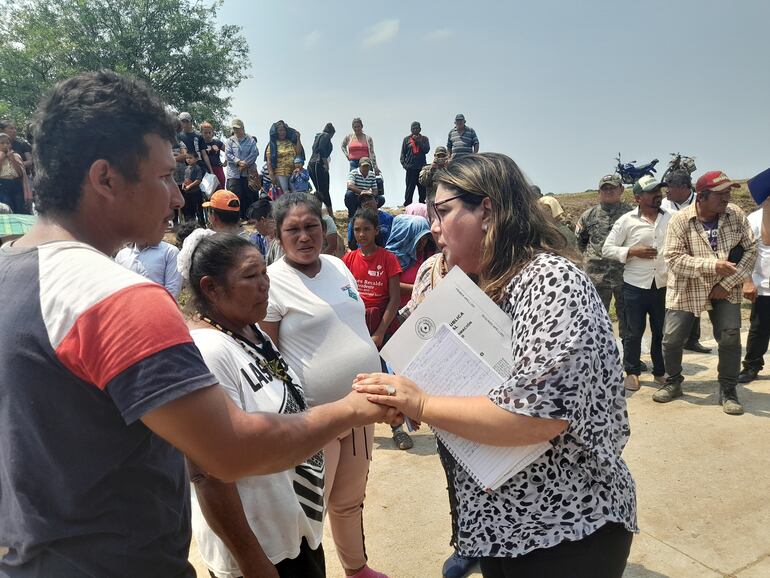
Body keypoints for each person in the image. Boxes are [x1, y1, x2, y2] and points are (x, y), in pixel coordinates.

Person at [0, 70, 393, 577]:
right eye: (163, 177)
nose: (178, 197)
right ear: (105, 179)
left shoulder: (10, 271)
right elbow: (229, 453)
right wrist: (352, 409)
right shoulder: (116, 297)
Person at [355, 153, 637, 578]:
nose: (434, 228)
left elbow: (535, 417)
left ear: (487, 209)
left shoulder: (552, 282)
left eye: (444, 212)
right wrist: (407, 393)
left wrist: (423, 404)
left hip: (565, 528)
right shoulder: (475, 284)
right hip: (500, 528)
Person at [182, 231, 327, 578]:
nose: (265, 285)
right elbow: (208, 474)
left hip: (290, 527)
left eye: (265, 273)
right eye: (250, 276)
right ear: (211, 288)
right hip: (259, 550)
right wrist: (252, 561)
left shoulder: (252, 333)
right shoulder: (209, 351)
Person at [260, 193, 390, 578]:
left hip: (361, 407)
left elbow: (352, 325)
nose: (304, 237)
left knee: (350, 499)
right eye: (293, 230)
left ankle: (357, 567)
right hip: (314, 420)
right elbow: (268, 354)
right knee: (308, 511)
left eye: (311, 226)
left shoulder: (338, 266)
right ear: (279, 237)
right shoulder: (273, 282)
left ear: (325, 227)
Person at [659, 171, 757, 415]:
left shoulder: (735, 215)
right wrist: (712, 266)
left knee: (730, 336)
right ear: (702, 197)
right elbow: (673, 258)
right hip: (687, 287)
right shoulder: (680, 220)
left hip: (726, 288)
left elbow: (751, 250)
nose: (727, 197)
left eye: (728, 192)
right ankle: (673, 382)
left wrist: (727, 282)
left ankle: (728, 389)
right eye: (721, 193)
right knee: (671, 339)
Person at [603, 175, 672, 391]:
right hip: (634, 286)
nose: (657, 195)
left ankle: (660, 371)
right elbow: (607, 249)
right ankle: (632, 372)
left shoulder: (671, 218)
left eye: (658, 191)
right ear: (638, 198)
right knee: (633, 331)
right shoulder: (627, 221)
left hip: (662, 284)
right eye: (651, 192)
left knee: (661, 331)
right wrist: (632, 251)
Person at [575, 173, 632, 339]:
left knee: (628, 318)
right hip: (597, 276)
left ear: (621, 189)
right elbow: (581, 241)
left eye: (612, 188)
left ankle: (630, 358)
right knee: (596, 318)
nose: (608, 191)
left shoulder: (631, 214)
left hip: (624, 275)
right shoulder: (588, 215)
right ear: (599, 192)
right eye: (604, 188)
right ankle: (599, 357)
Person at [661, 169, 711, 353]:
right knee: (672, 303)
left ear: (684, 187)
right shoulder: (664, 205)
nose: (666, 191)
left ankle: (692, 339)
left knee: (695, 299)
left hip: (696, 260)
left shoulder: (702, 201)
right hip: (670, 260)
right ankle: (671, 341)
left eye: (670, 187)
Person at [343, 209, 402, 351]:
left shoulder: (388, 258)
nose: (362, 234)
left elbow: (395, 299)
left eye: (367, 229)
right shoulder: (347, 259)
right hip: (356, 323)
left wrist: (380, 332)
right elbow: (343, 293)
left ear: (376, 231)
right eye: (357, 230)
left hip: (383, 323)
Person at [738, 205, 770, 384]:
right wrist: (747, 280)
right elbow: (744, 253)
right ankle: (752, 365)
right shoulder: (754, 219)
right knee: (759, 329)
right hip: (764, 284)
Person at [115, 239, 182, 299]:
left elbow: (173, 289)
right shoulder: (121, 255)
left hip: (157, 309)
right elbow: (117, 287)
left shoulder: (169, 252)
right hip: (127, 309)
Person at [225, 118, 258, 220]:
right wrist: (238, 162)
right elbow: (228, 155)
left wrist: (245, 164)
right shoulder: (229, 141)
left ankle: (249, 218)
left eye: (238, 128)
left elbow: (255, 153)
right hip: (234, 174)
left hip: (247, 173)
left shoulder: (251, 140)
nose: (236, 131)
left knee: (249, 195)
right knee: (234, 195)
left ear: (243, 128)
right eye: (234, 129)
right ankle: (235, 219)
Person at [266, 120, 303, 194]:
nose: (282, 132)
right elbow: (269, 160)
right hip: (280, 173)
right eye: (280, 130)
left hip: (293, 173)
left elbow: (298, 153)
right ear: (276, 132)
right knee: (285, 194)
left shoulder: (290, 142)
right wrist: (271, 175)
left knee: (296, 193)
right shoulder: (272, 145)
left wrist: (298, 139)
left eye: (284, 130)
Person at [400, 121, 430, 205]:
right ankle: (407, 205)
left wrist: (419, 142)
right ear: (411, 130)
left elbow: (426, 150)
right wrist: (405, 165)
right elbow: (402, 154)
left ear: (420, 129)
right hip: (410, 168)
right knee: (410, 188)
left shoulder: (424, 139)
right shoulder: (406, 139)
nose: (415, 130)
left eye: (417, 128)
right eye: (413, 128)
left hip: (421, 168)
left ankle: (422, 205)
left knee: (422, 188)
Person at [308, 122, 336, 215]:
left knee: (321, 190)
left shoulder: (318, 137)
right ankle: (325, 213)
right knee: (323, 190)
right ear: (331, 133)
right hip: (318, 164)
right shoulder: (325, 136)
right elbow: (321, 149)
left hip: (312, 164)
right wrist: (325, 164)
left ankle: (323, 212)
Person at [0, 132, 30, 213]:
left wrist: (12, 158)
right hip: (3, 185)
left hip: (16, 184)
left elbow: (20, 173)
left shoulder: (16, 156)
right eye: (2, 143)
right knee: (6, 207)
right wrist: (2, 158)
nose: (5, 145)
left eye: (7, 143)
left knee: (19, 207)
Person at [182, 150, 207, 225]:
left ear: (196, 159)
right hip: (187, 193)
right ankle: (191, 226)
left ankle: (202, 225)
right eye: (187, 158)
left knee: (199, 210)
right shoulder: (186, 168)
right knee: (189, 210)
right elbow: (185, 179)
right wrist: (184, 184)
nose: (188, 160)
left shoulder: (197, 168)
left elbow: (198, 180)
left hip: (196, 192)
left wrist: (190, 186)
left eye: (190, 158)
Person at [201, 121, 226, 190]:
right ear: (202, 133)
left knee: (221, 188)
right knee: (208, 190)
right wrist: (211, 171)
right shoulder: (201, 144)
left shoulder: (217, 142)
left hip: (218, 168)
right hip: (206, 170)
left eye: (209, 132)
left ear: (212, 133)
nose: (208, 135)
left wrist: (225, 162)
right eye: (205, 133)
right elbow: (204, 155)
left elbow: (228, 151)